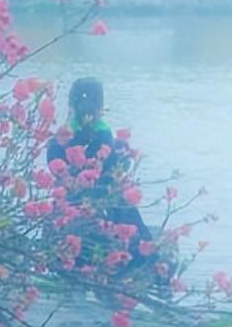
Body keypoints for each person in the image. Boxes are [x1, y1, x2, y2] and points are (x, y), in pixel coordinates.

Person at [47, 77, 157, 271]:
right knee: (143, 240)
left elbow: (56, 172)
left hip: (69, 216)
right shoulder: (110, 142)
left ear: (71, 104)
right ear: (101, 105)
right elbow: (113, 175)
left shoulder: (58, 141)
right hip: (109, 214)